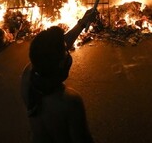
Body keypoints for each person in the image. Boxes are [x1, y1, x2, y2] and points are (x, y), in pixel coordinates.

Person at [20, 8, 97, 143]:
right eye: (66, 53)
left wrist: (82, 23)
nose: (68, 52)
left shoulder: (28, 75)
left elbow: (57, 47)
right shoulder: (69, 101)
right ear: (61, 65)